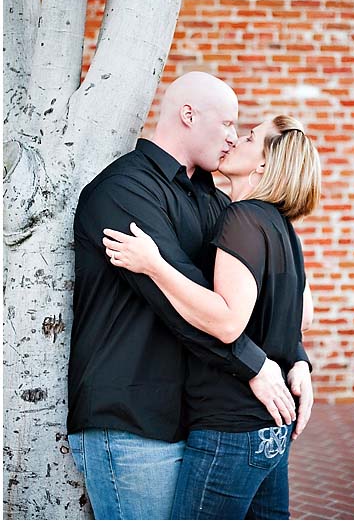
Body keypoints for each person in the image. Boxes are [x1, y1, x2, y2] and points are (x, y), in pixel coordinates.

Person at [67, 72, 307, 520]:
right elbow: (176, 302)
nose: (234, 139)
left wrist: (295, 359)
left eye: (241, 130)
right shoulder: (124, 190)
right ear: (189, 115)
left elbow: (250, 296)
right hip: (131, 420)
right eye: (229, 125)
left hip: (189, 417)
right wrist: (255, 365)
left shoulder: (215, 200)